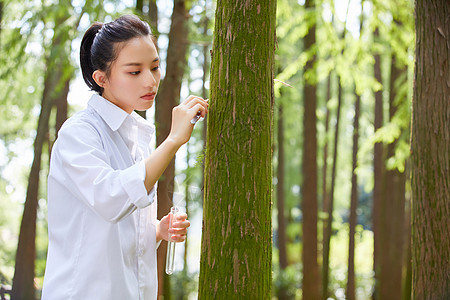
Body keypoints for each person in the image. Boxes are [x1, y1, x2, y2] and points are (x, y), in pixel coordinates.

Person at [41, 15, 208, 300]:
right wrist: (173, 141)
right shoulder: (78, 134)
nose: (151, 81)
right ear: (101, 78)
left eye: (155, 67)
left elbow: (115, 230)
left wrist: (156, 230)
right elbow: (112, 198)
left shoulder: (136, 138)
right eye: (134, 72)